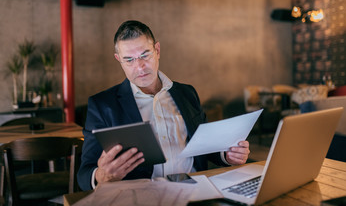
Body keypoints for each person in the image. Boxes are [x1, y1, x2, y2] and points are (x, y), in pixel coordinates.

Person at [77, 20, 250, 191]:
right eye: (129, 59)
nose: (140, 67)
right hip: (142, 198)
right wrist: (101, 176)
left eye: (145, 55)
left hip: (196, 192)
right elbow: (84, 175)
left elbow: (204, 146)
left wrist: (227, 155)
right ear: (118, 60)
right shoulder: (102, 105)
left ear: (157, 50)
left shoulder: (187, 93)